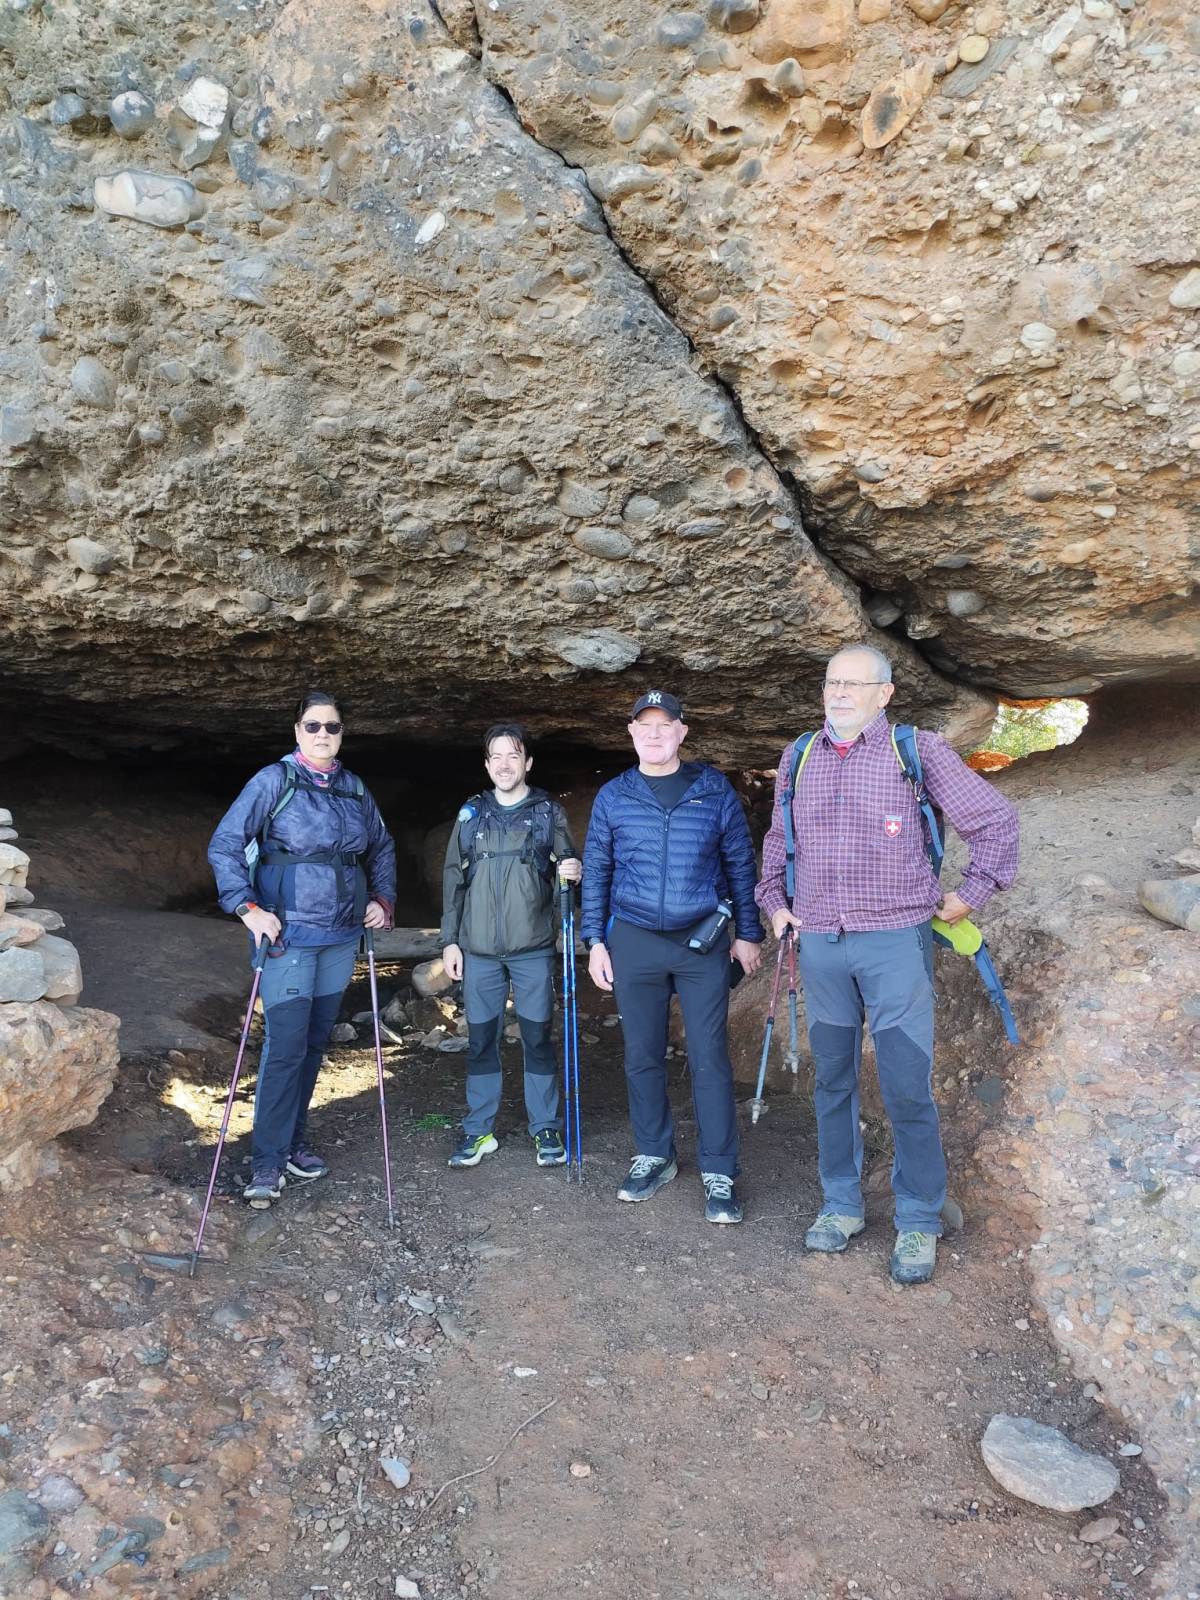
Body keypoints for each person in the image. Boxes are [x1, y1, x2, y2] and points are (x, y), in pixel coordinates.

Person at [755, 644, 1019, 1283]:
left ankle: (921, 1218)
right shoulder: (800, 755)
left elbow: (996, 822)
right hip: (821, 946)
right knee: (832, 1082)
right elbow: (777, 842)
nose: (839, 693)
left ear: (885, 693)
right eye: (831, 683)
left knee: (905, 1086)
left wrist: (968, 896)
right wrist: (775, 903)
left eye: (854, 683)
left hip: (895, 943)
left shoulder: (917, 751)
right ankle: (842, 1205)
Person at [208, 690, 397, 1208]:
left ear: (342, 733)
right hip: (288, 937)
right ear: (297, 732)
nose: (322, 735)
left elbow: (380, 845)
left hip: (339, 937)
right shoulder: (274, 781)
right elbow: (226, 842)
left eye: (332, 727)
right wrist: (248, 909)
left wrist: (382, 898)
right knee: (285, 1048)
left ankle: (292, 1143)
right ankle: (266, 1160)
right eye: (312, 726)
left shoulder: (354, 788)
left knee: (314, 1045)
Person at [582, 691, 763, 1224]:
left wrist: (748, 934)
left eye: (666, 725)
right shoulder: (615, 796)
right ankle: (654, 1154)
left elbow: (739, 864)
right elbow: (597, 871)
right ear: (632, 732)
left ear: (683, 732)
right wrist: (594, 941)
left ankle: (719, 1170)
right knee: (641, 1054)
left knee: (709, 1056)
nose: (655, 734)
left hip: (700, 941)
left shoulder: (713, 790)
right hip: (634, 939)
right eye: (645, 725)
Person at [440, 724, 581, 1169]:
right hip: (478, 951)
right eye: (496, 757)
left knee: (537, 1039)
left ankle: (545, 1128)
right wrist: (450, 942)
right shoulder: (470, 815)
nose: (504, 764)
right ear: (487, 765)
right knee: (482, 1041)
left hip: (533, 949)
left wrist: (573, 875)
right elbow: (453, 882)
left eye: (513, 756)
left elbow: (566, 878)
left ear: (528, 764)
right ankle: (479, 1130)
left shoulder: (546, 813)